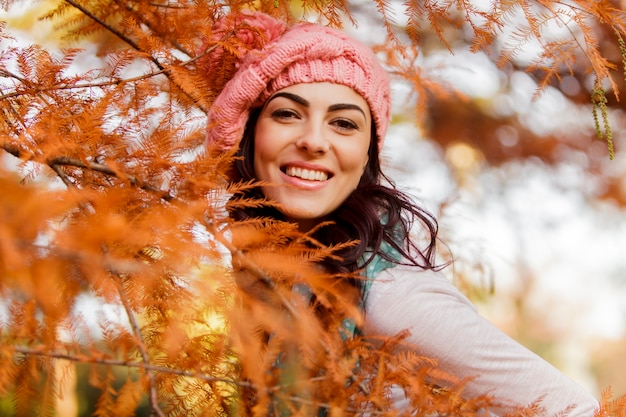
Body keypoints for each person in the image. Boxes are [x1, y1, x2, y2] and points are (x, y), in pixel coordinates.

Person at [204, 10, 600, 416]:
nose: (314, 141)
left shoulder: (386, 292)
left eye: (343, 123)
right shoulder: (277, 279)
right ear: (249, 135)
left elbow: (571, 406)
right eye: (287, 113)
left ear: (366, 158)